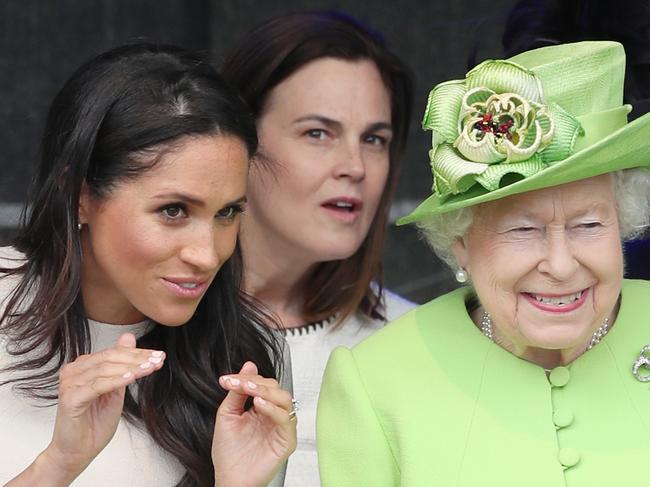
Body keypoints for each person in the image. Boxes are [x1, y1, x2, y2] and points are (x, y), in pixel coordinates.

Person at [317, 41, 650, 485]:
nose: (562, 264)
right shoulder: (375, 383)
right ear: (461, 243)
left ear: (623, 221)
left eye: (588, 225)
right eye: (522, 230)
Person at [0, 43, 297, 487]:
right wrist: (59, 465)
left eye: (227, 213)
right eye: (173, 210)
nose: (207, 253)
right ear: (80, 197)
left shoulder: (245, 358)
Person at [220, 11, 416, 486]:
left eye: (374, 139)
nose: (355, 166)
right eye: (317, 133)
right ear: (238, 140)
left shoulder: (415, 343)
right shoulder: (143, 327)